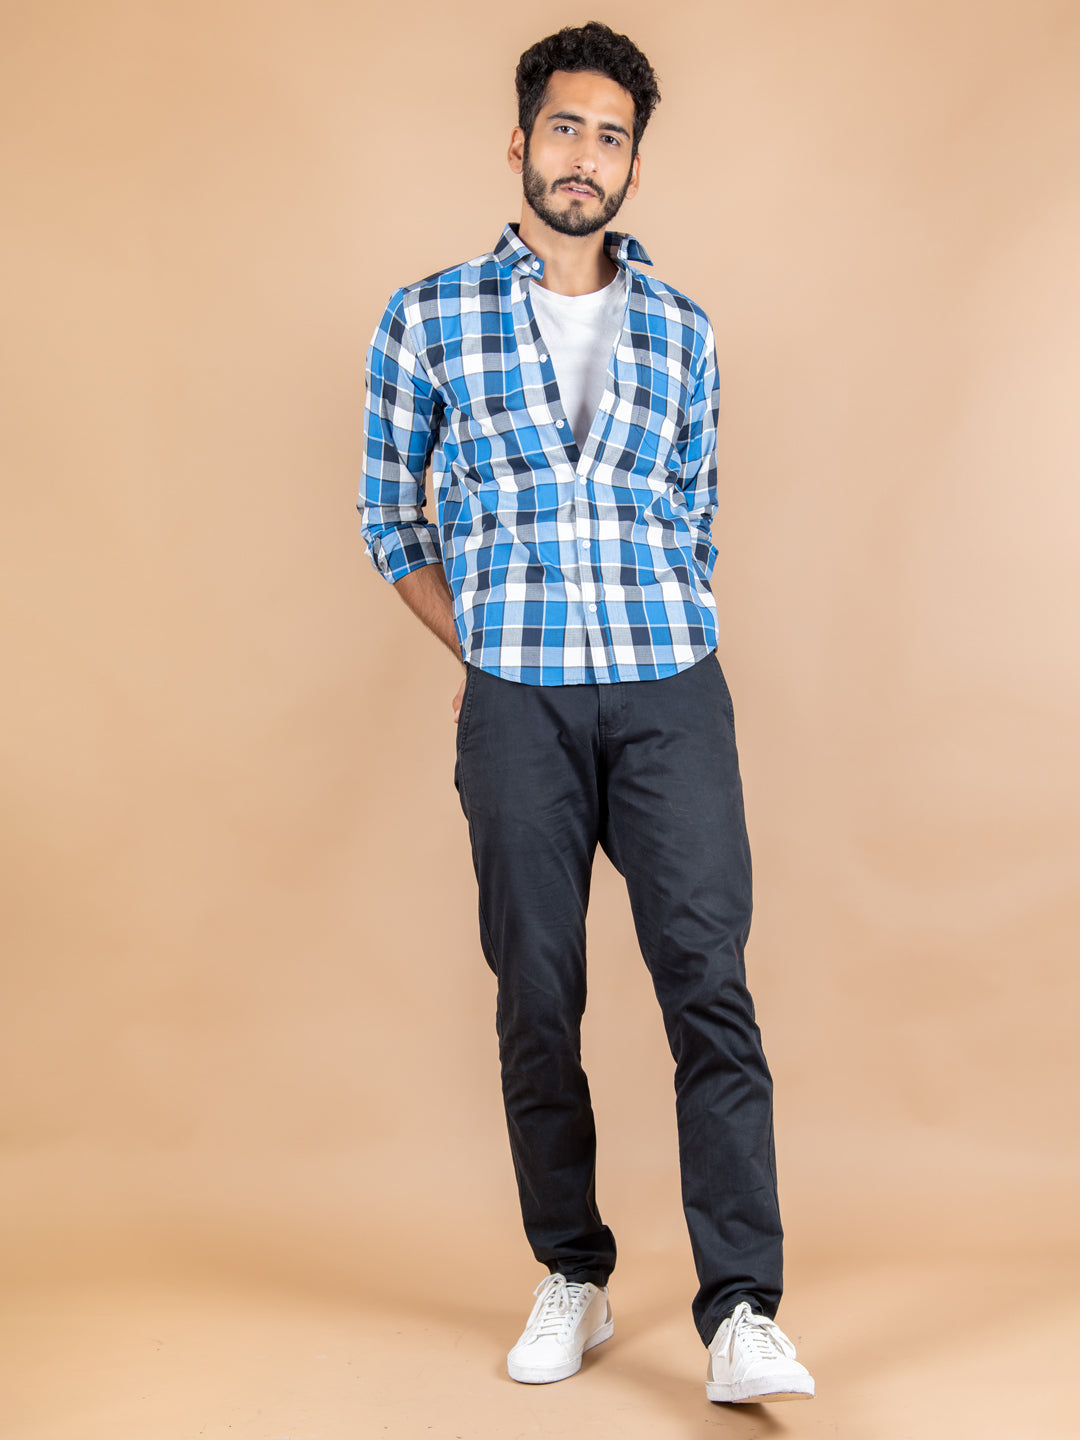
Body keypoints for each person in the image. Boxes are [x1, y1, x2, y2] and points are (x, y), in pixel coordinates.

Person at [357, 20, 815, 1406]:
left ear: (632, 166)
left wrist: (664, 632)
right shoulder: (427, 317)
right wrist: (488, 646)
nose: (586, 156)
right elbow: (390, 518)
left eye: (612, 137)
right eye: (566, 128)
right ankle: (575, 1270)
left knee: (709, 984)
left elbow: (696, 516)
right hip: (520, 706)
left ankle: (743, 1310)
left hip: (671, 689)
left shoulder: (685, 329)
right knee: (537, 995)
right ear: (520, 141)